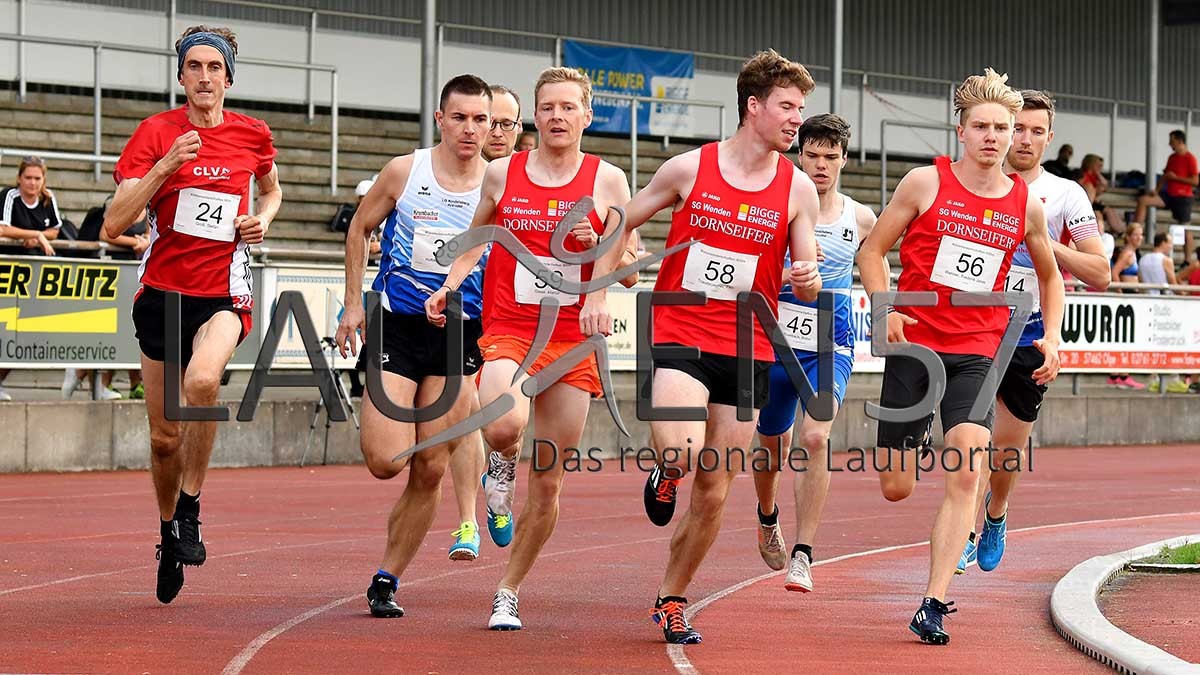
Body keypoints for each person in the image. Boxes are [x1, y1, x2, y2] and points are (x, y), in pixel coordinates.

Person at [580, 49, 822, 644]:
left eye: (801, 109)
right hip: (682, 330)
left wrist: (808, 276)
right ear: (753, 106)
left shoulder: (797, 188)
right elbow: (621, 221)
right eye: (787, 107)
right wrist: (598, 293)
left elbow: (806, 272)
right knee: (681, 450)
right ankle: (666, 470)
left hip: (749, 345)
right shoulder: (688, 169)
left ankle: (672, 598)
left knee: (714, 491)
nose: (797, 119)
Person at [856, 69, 1063, 645]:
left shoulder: (1024, 204)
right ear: (962, 131)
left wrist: (1052, 336)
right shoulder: (924, 183)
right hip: (916, 344)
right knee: (896, 486)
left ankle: (933, 601)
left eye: (1003, 127)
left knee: (968, 470)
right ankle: (918, 433)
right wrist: (883, 306)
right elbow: (873, 251)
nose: (993, 137)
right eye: (982, 126)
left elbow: (1051, 277)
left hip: (978, 350)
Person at [425, 67, 632, 632]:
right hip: (512, 328)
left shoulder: (609, 179)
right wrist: (449, 284)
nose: (557, 116)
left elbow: (630, 264)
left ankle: (508, 590)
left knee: (548, 481)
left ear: (587, 115)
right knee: (502, 422)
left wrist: (600, 249)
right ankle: (499, 463)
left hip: (572, 340)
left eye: (568, 107)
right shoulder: (502, 172)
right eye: (548, 107)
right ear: (533, 116)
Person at [103, 24, 281, 605]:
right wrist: (165, 167)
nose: (205, 77)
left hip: (223, 291)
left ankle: (191, 506)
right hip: (162, 292)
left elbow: (272, 190)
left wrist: (261, 220)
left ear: (229, 77)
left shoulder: (252, 133)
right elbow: (114, 223)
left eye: (215, 67)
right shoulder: (156, 133)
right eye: (195, 67)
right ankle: (167, 533)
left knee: (203, 381)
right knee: (163, 438)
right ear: (181, 76)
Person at [335, 75, 495, 618]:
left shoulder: (498, 185)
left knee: (430, 467)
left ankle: (387, 578)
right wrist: (354, 302)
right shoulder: (406, 171)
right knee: (386, 461)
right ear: (440, 119)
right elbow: (359, 228)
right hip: (398, 328)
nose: (470, 129)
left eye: (480, 119)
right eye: (460, 118)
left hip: (460, 334)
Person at [955, 90, 1108, 576]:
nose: (1023, 139)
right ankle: (963, 532)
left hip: (1029, 335)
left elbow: (1100, 273)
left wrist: (1039, 239)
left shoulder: (1065, 195)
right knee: (972, 442)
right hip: (976, 330)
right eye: (1016, 128)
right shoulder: (975, 183)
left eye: (1036, 131)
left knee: (1005, 449)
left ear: (1049, 138)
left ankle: (996, 514)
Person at [747, 113, 876, 592]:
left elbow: (879, 259)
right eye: (813, 155)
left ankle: (803, 554)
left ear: (844, 160)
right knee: (771, 444)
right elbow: (747, 273)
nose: (821, 165)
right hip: (774, 344)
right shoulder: (775, 209)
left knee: (817, 437)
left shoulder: (860, 218)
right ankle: (767, 515)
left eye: (830, 156)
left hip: (829, 345)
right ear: (799, 155)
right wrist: (790, 272)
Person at [1134, 130, 1198, 246]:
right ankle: (1135, 232)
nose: (1170, 144)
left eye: (1172, 141)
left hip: (1183, 197)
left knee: (1185, 228)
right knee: (1143, 200)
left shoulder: (1190, 158)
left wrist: (1175, 178)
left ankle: (1188, 256)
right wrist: (1157, 190)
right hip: (1169, 194)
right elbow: (1166, 176)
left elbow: (1195, 181)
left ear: (1180, 141)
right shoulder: (1172, 157)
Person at [1107, 223, 1145, 390]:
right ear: (1128, 237)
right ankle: (1122, 374)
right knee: (1125, 336)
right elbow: (1114, 272)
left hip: (1131, 294)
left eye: (1141, 234)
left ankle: (1118, 373)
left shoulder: (1133, 253)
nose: (1139, 238)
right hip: (1127, 296)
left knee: (1125, 336)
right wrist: (1121, 292)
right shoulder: (1127, 253)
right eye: (1136, 235)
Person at [1, 156, 60, 256]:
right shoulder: (9, 195)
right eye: (28, 178)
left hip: (37, 253)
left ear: (43, 180)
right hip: (10, 255)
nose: (33, 183)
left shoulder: (48, 197)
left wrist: (37, 238)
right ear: (19, 178)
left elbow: (54, 231)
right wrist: (36, 234)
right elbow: (3, 229)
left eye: (37, 178)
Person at [483, 85, 522, 161]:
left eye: (507, 124)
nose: (497, 134)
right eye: (490, 124)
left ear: (519, 126)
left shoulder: (532, 168)